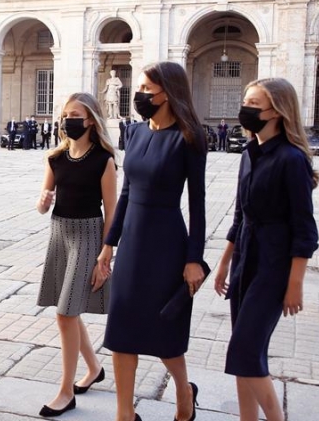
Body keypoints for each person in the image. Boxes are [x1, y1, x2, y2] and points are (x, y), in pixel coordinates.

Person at [100, 61, 207, 421]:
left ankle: (182, 389)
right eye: (140, 88)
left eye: (148, 89)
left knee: (166, 332)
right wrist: (109, 244)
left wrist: (195, 259)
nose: (140, 95)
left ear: (168, 92)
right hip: (132, 245)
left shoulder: (189, 137)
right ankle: (124, 413)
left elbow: (198, 205)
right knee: (122, 330)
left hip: (167, 244)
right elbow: (127, 193)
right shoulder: (134, 133)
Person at [214, 78, 319, 421]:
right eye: (247, 102)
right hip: (245, 259)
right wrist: (224, 262)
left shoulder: (292, 160)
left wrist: (295, 283)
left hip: (274, 266)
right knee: (246, 353)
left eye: (255, 105)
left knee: (245, 350)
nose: (246, 110)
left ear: (277, 111)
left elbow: (305, 229)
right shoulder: (248, 154)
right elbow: (240, 213)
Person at [35, 92, 118, 417]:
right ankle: (94, 369)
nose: (68, 120)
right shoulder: (55, 157)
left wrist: (105, 256)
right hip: (59, 234)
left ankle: (66, 390)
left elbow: (112, 212)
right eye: (65, 114)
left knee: (65, 313)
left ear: (91, 121)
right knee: (69, 309)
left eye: (76, 115)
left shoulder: (104, 160)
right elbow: (43, 203)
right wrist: (42, 202)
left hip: (88, 235)